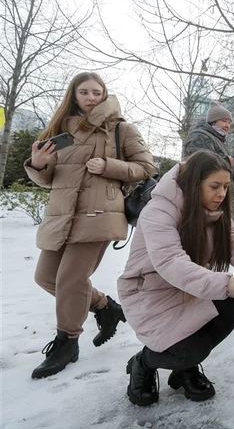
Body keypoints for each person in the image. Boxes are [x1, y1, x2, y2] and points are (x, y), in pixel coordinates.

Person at [118, 150, 234, 406]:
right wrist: (232, 282)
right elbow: (172, 263)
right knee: (192, 346)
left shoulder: (214, 211)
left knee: (229, 309)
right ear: (194, 184)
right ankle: (144, 361)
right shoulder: (159, 212)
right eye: (214, 186)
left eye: (226, 187)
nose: (221, 194)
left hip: (189, 289)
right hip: (149, 295)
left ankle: (185, 365)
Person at [24, 72, 156, 379]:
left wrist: (109, 166)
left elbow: (147, 167)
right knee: (45, 277)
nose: (91, 97)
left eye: (96, 92)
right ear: (74, 95)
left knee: (71, 279)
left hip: (100, 214)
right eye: (84, 92)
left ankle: (67, 342)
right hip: (61, 215)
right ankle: (105, 307)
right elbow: (48, 178)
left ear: (104, 94)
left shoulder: (121, 128)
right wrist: (38, 164)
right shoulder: (60, 129)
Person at [183, 101, 234, 223]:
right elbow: (204, 166)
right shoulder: (199, 136)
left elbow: (220, 177)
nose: (227, 125)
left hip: (220, 203)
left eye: (229, 122)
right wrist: (233, 159)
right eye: (224, 121)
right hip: (202, 204)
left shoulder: (218, 141)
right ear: (213, 121)